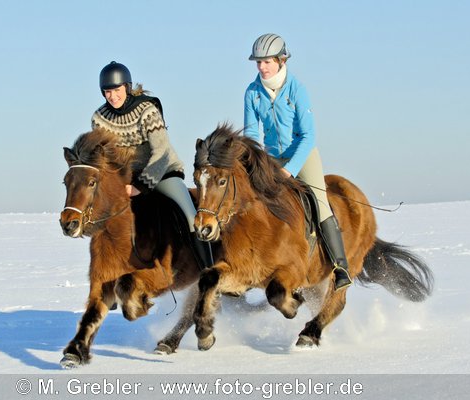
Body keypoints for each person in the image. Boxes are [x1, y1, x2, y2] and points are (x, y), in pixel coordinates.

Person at [243, 34, 352, 290]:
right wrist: (254, 165)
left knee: (319, 202)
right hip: (270, 157)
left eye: (267, 61)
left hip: (301, 154)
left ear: (281, 60)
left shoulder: (296, 89)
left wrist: (290, 171)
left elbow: (309, 135)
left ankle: (340, 266)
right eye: (258, 62)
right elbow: (250, 133)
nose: (261, 67)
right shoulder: (252, 92)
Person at [91, 61, 213, 270]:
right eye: (107, 92)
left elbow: (161, 152)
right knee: (102, 221)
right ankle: (106, 282)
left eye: (117, 90)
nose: (113, 96)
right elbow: (103, 158)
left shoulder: (147, 111)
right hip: (126, 179)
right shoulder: (99, 118)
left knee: (190, 216)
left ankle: (209, 274)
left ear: (127, 88)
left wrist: (140, 186)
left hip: (162, 171)